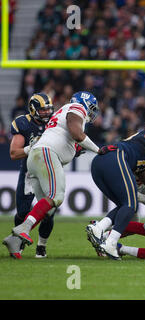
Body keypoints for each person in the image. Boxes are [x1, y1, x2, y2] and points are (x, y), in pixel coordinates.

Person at [8, 91, 105, 252]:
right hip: (44, 155)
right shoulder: (76, 107)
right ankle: (23, 228)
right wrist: (98, 150)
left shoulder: (60, 115)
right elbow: (76, 134)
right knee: (56, 197)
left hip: (37, 158)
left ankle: (15, 241)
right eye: (91, 107)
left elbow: (66, 140)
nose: (92, 112)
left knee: (48, 209)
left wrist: (75, 149)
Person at [85, 123, 145, 260]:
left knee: (124, 205)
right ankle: (110, 243)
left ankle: (99, 228)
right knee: (131, 205)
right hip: (114, 157)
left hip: (100, 164)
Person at [3, 93, 55, 259]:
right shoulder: (23, 123)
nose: (47, 113)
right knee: (23, 212)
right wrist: (30, 148)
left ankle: (41, 246)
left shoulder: (55, 123)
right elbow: (13, 153)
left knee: (49, 212)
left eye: (49, 109)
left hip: (49, 171)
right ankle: (17, 243)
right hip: (30, 172)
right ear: (33, 110)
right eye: (43, 110)